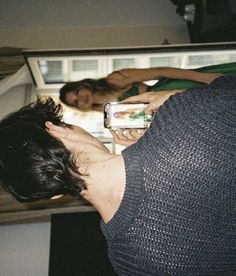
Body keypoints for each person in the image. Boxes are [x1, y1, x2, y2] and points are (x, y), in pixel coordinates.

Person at [0, 75, 236, 275]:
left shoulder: (127, 261)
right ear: (58, 130)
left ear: (54, 194)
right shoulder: (184, 117)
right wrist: (176, 96)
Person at [58, 61, 236, 111]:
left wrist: (203, 77)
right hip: (178, 107)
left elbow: (160, 71)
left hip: (179, 86)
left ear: (82, 85)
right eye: (76, 102)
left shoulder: (114, 80)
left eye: (77, 92)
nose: (80, 98)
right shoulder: (109, 113)